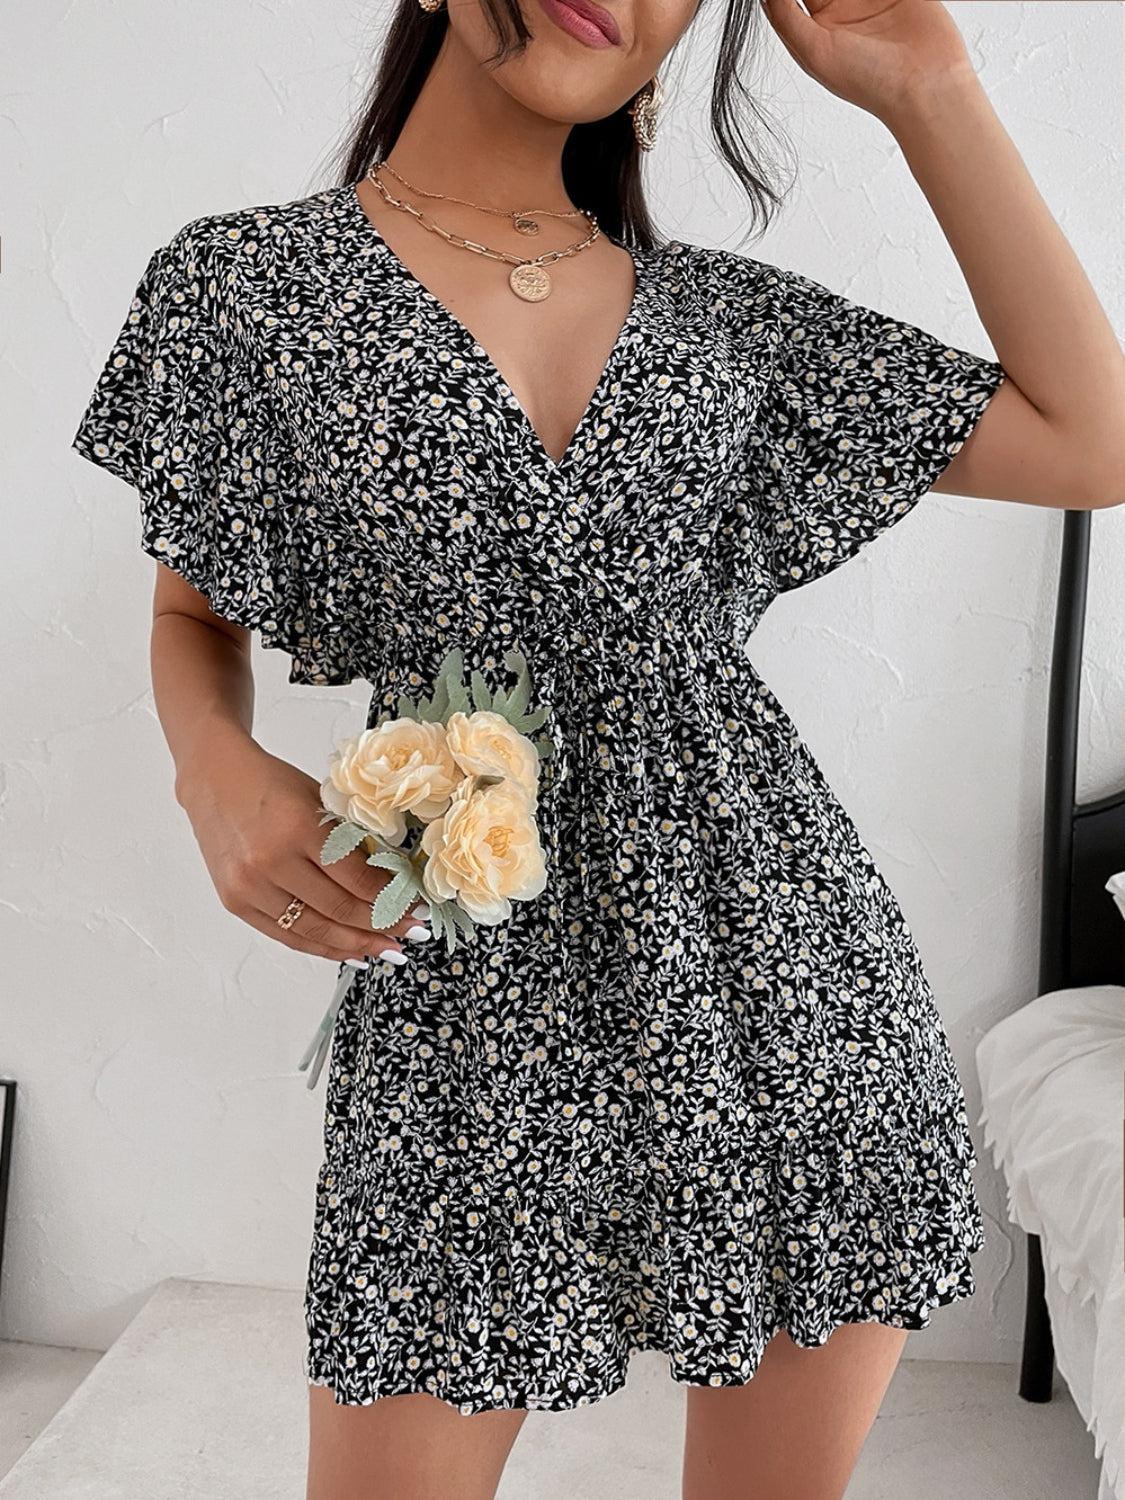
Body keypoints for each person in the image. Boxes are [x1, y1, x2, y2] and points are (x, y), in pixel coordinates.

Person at [70, 0, 1124, 1492]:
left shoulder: (730, 324)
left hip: (783, 990)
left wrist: (930, 87)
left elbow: (1094, 439)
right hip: (467, 994)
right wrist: (211, 768)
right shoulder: (243, 287)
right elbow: (194, 612)